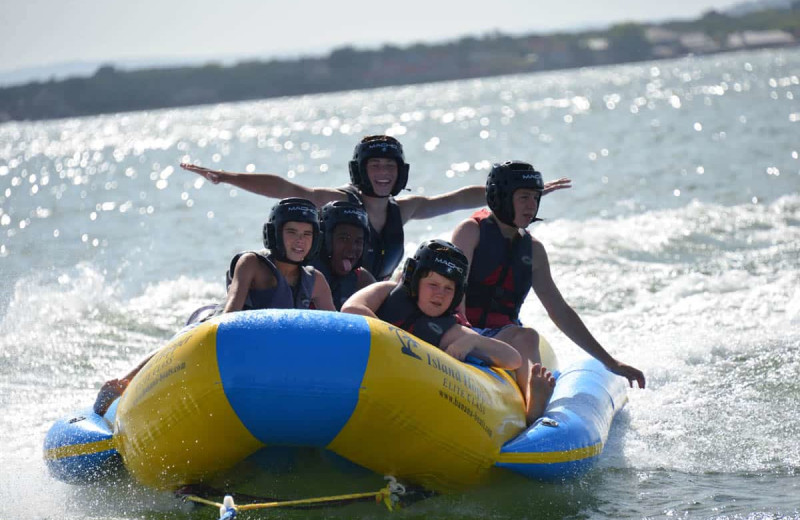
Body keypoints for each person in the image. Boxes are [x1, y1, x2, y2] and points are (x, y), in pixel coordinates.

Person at [181, 134, 571, 280]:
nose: (383, 172)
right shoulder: (335, 201)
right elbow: (284, 187)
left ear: (400, 172)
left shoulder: (406, 209)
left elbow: (458, 199)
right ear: (361, 170)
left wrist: (521, 192)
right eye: (375, 165)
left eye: (390, 166)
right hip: (324, 297)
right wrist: (227, 177)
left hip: (369, 302)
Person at [93, 197, 335, 416]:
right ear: (274, 234)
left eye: (307, 234)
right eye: (291, 232)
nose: (300, 241)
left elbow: (336, 331)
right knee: (179, 342)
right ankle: (121, 384)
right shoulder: (252, 263)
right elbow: (230, 315)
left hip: (271, 354)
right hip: (212, 335)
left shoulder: (316, 281)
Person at [450, 160, 646, 423]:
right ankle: (532, 394)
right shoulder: (470, 231)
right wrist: (462, 330)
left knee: (527, 336)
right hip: (460, 328)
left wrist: (611, 362)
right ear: (501, 197)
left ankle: (535, 401)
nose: (531, 205)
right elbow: (454, 288)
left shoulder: (534, 251)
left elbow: (560, 311)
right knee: (522, 336)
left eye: (535, 198)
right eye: (523, 198)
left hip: (501, 335)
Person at [341, 238, 525, 374]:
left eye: (448, 288)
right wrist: (397, 344)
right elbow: (351, 309)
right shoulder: (386, 292)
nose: (440, 294)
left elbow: (513, 359)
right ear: (414, 280)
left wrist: (474, 340)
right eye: (433, 285)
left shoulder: (449, 330)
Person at [311, 200, 376, 310]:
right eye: (344, 239)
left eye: (358, 241)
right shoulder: (301, 275)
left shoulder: (363, 280)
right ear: (323, 240)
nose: (352, 248)